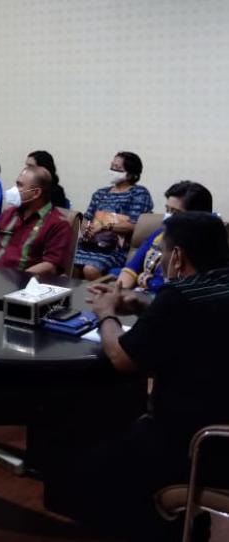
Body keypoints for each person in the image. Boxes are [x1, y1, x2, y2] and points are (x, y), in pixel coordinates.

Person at [55, 212, 229, 541]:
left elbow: (122, 359)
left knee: (85, 467)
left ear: (177, 257)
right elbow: (201, 327)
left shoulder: (179, 295)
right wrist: (146, 309)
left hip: (197, 444)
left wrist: (106, 314)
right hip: (219, 419)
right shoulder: (214, 288)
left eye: (163, 251)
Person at [0, 166, 72, 275]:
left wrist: (19, 280)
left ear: (36, 193)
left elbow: (50, 266)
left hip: (23, 282)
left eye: (20, 185)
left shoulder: (58, 224)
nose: (14, 189)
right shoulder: (8, 213)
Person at [118, 180, 213, 294]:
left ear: (196, 216)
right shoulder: (160, 233)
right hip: (142, 295)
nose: (168, 216)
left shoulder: (203, 246)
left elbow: (178, 287)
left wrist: (146, 280)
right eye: (167, 210)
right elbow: (132, 267)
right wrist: (118, 292)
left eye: (175, 212)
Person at [74, 151, 154, 280]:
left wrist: (104, 225)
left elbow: (134, 225)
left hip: (115, 249)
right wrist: (86, 229)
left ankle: (102, 292)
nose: (112, 171)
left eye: (117, 168)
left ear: (130, 173)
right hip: (90, 244)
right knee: (70, 267)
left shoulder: (138, 193)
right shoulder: (100, 193)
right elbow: (87, 218)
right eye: (112, 166)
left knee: (90, 270)